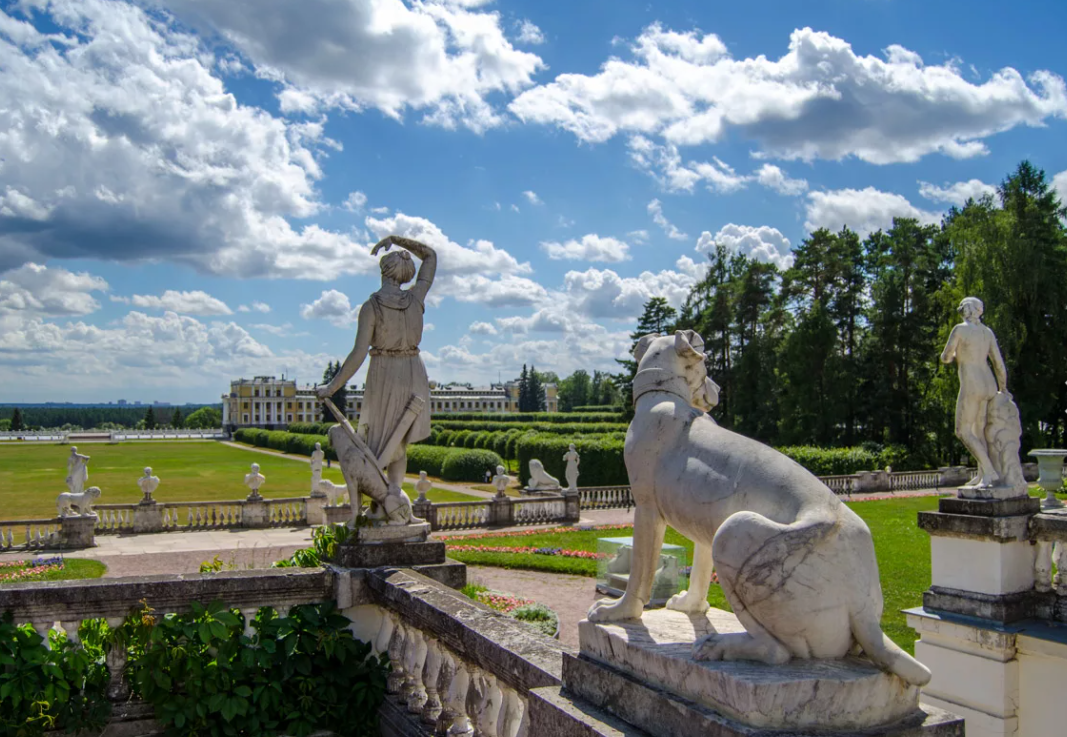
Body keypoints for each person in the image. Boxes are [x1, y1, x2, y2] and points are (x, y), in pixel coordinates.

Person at [317, 235, 436, 510]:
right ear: (405, 274)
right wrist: (398, 241)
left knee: (378, 436)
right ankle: (392, 492)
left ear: (383, 271)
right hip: (414, 371)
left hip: (384, 371)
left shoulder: (371, 307)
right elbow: (430, 256)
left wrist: (331, 388)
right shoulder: (416, 298)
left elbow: (358, 353)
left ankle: (387, 498)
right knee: (399, 440)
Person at [940, 297, 1008, 488]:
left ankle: (989, 471)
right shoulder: (987, 332)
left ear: (966, 310)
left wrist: (954, 355)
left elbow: (945, 357)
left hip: (972, 385)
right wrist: (1003, 388)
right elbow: (998, 363)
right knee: (979, 431)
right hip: (989, 384)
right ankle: (982, 476)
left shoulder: (960, 329)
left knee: (962, 430)